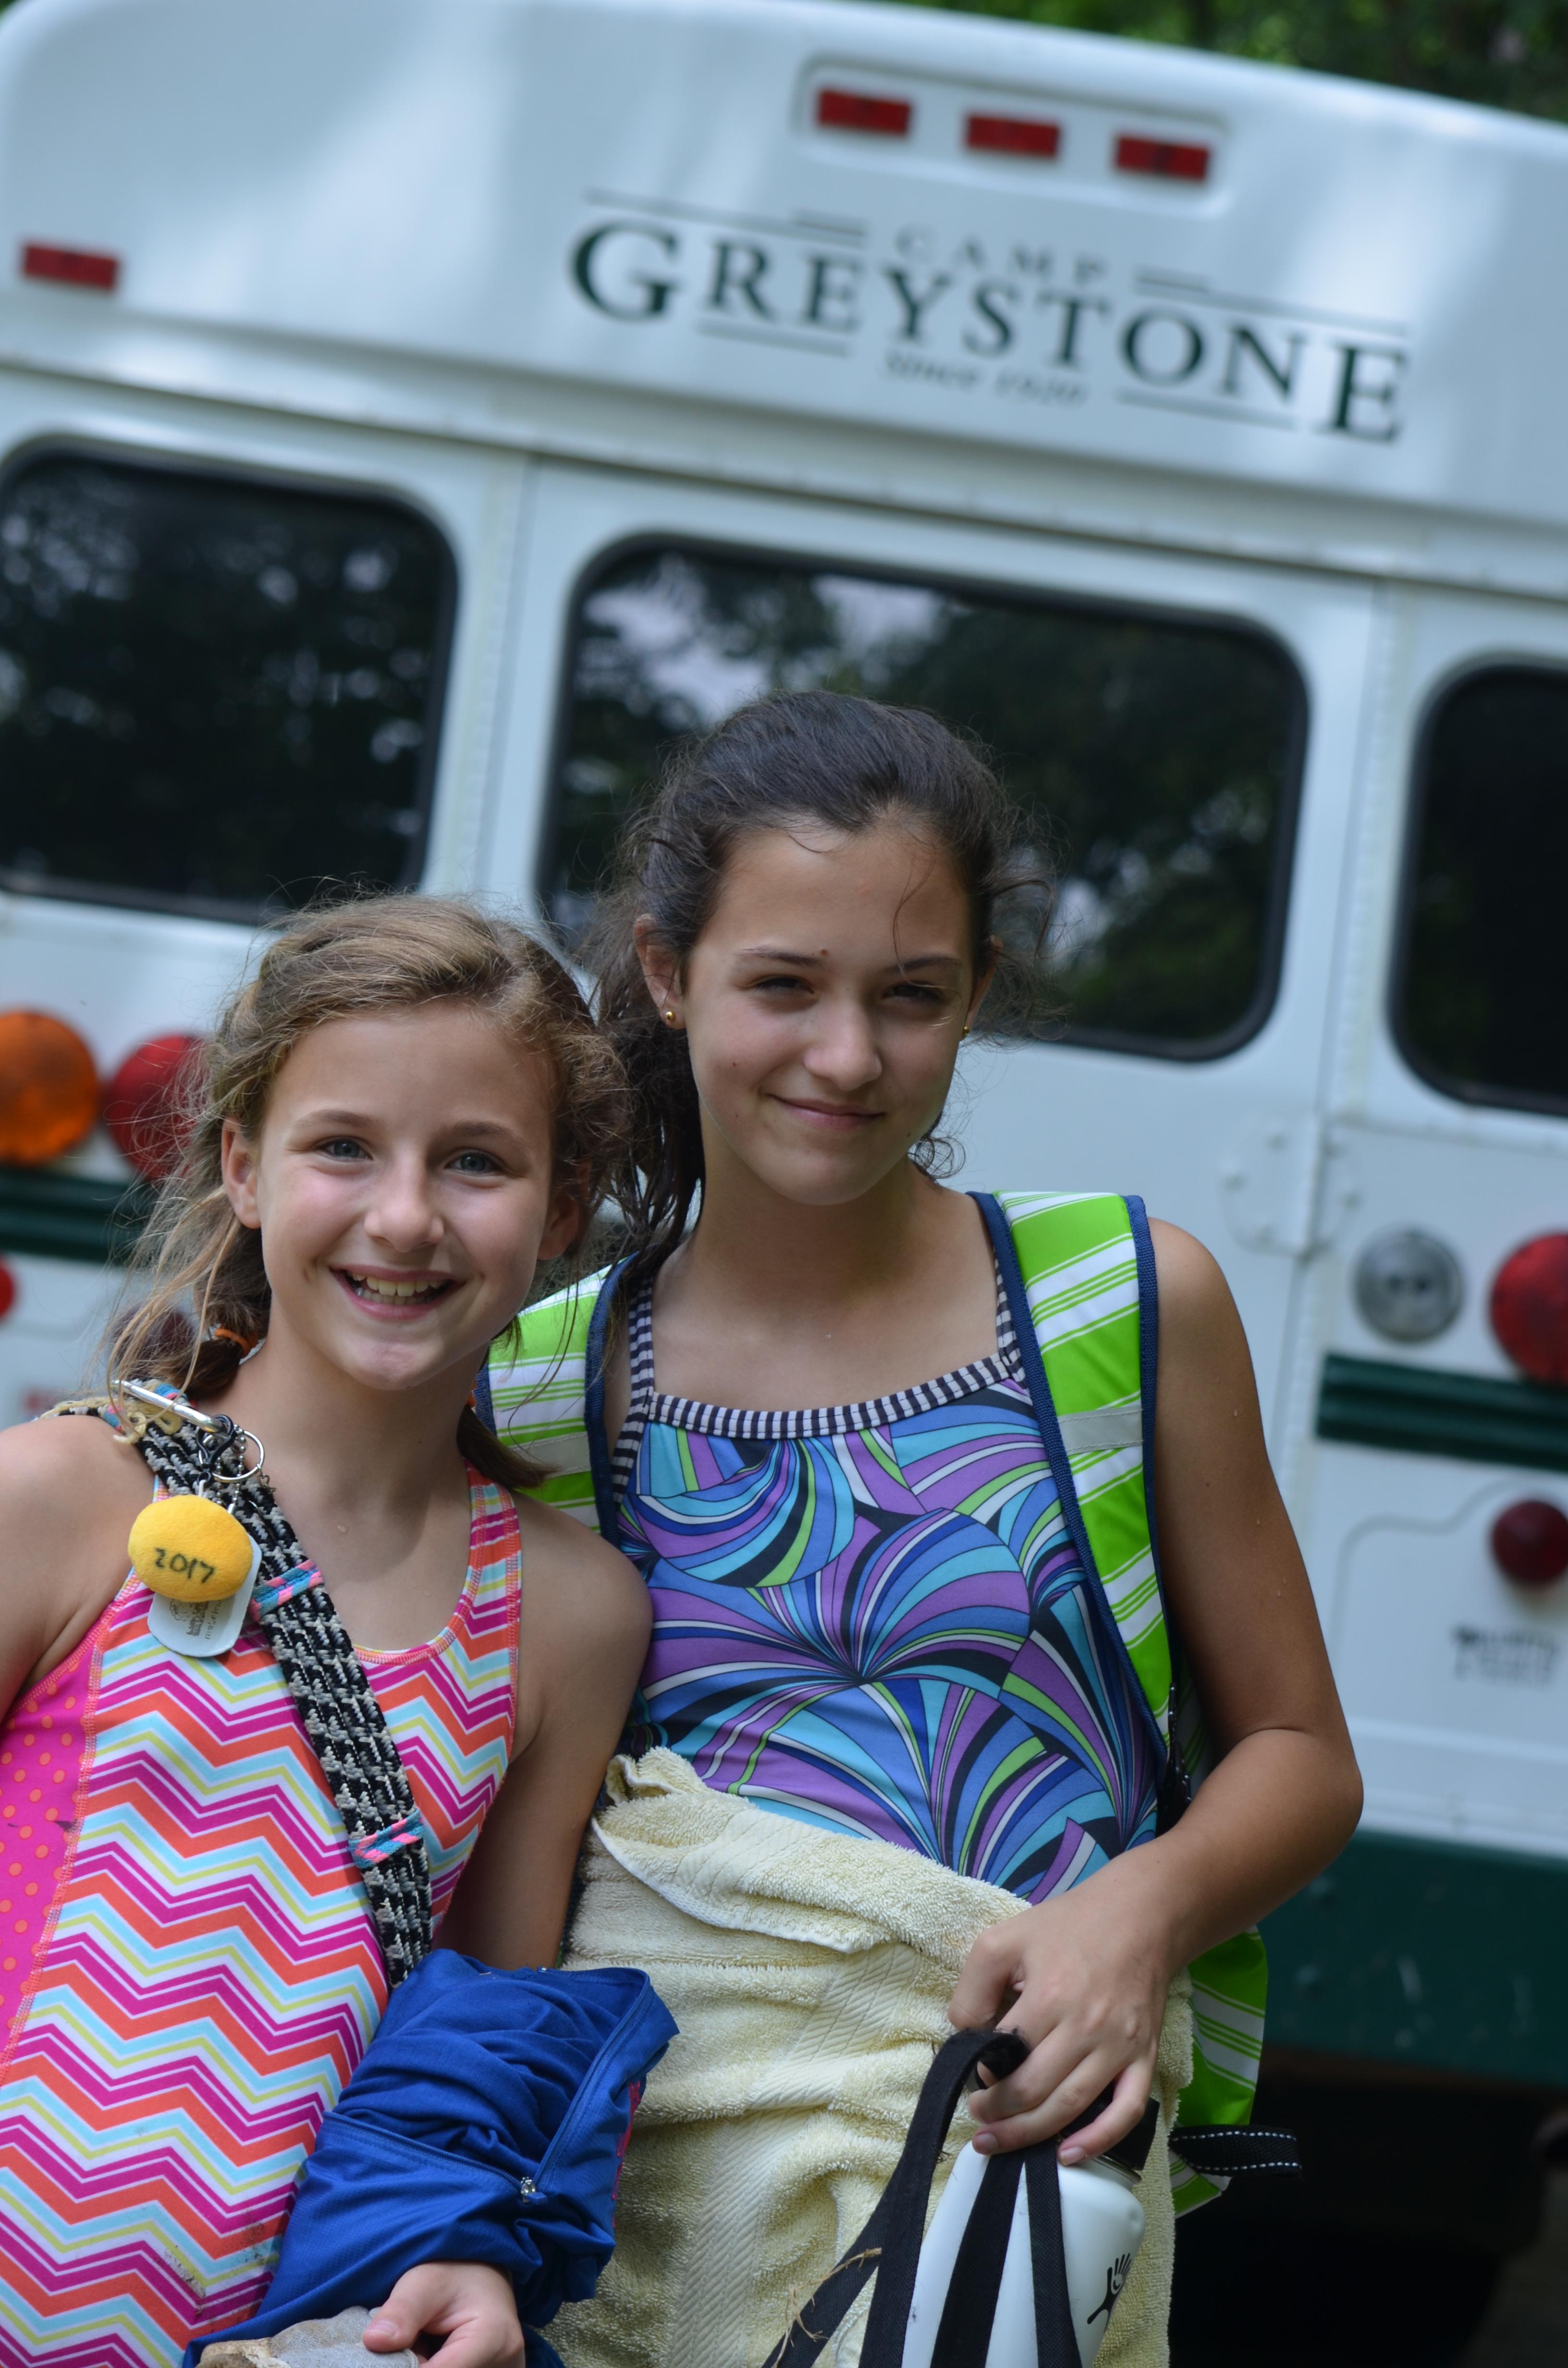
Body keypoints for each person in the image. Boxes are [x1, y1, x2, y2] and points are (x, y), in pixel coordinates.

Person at [488, 691, 1363, 2368]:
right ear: (668, 974)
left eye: (911, 996)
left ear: (976, 998)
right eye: (783, 986)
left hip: (1014, 2173)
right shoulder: (543, 1385)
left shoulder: (1124, 1302)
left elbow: (1303, 1756)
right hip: (657, 2198)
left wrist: (1139, 1916)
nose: (847, 1057)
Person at [0, 898, 649, 2368]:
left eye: (475, 1161)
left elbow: (473, 2066)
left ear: (562, 1212)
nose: (405, 1216)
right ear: (242, 1164)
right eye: (344, 1146)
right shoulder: (58, 1497)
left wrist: (466, 2259)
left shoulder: (568, 1614)